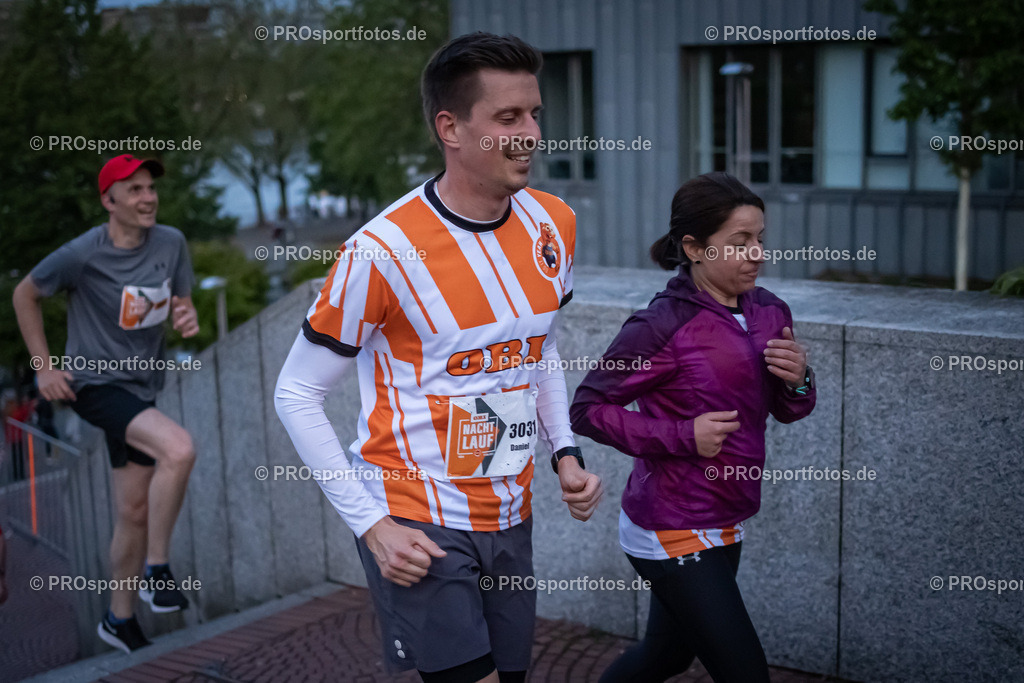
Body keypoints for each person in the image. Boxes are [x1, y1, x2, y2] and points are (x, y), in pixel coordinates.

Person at [275, 32, 603, 683]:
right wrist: (372, 526)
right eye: (508, 118)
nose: (531, 132)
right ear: (450, 127)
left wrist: (565, 452)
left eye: (535, 113)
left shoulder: (553, 223)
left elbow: (541, 347)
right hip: (415, 518)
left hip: (512, 509)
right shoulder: (381, 251)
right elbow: (295, 393)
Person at [570, 172, 816, 683]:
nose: (756, 253)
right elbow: (588, 408)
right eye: (739, 242)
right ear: (694, 248)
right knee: (747, 675)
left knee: (667, 655)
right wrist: (684, 435)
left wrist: (800, 380)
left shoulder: (770, 312)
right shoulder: (660, 325)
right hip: (671, 522)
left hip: (729, 513)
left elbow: (790, 409)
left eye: (760, 239)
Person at [12, 154, 199, 653]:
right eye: (134, 190)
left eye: (150, 189)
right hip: (93, 385)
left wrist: (186, 316)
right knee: (178, 449)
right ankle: (157, 570)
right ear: (108, 201)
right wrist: (44, 368)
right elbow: (24, 294)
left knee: (133, 509)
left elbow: (180, 301)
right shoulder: (81, 254)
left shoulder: (171, 243)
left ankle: (118, 621)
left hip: (143, 386)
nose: (147, 198)